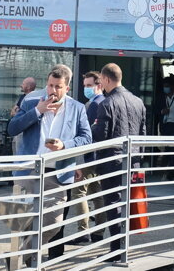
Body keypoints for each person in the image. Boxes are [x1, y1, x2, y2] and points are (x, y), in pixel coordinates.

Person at [7, 65, 92, 263]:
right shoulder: (31, 102)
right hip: (28, 171)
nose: (52, 90)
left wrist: (65, 145)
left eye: (58, 87)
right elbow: (12, 128)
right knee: (23, 223)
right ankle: (29, 262)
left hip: (58, 173)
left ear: (67, 88)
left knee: (54, 223)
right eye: (50, 85)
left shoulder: (77, 108)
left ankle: (21, 255)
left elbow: (86, 139)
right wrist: (38, 110)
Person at [93, 63, 147, 258]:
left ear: (107, 79)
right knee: (127, 203)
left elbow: (100, 136)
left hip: (111, 163)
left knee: (113, 204)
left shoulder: (106, 104)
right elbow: (142, 135)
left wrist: (92, 127)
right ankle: (122, 245)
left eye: (101, 81)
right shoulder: (138, 102)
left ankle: (116, 249)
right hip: (133, 161)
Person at [67, 71, 107, 245]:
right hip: (100, 156)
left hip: (89, 156)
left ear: (99, 85)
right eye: (84, 85)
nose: (86, 88)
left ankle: (83, 231)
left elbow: (86, 134)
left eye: (89, 85)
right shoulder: (104, 102)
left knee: (79, 193)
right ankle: (99, 230)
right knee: (97, 194)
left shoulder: (94, 105)